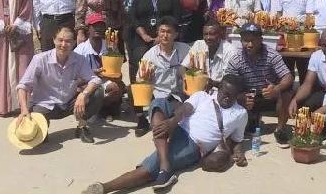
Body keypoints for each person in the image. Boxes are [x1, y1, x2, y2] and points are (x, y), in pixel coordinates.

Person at [82, 74, 248, 194]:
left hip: (193, 145)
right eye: (224, 93)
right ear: (218, 88)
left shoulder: (240, 114)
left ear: (237, 95)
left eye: (231, 96)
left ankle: (104, 188)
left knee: (149, 169)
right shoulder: (203, 96)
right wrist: (171, 123)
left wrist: (238, 153)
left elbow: (237, 139)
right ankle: (165, 165)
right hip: (178, 127)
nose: (226, 98)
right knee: (159, 102)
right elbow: (185, 109)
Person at [15, 27, 104, 143]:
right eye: (60, 40)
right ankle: (43, 128)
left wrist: (84, 95)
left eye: (68, 41)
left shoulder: (79, 59)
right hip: (45, 105)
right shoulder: (40, 59)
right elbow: (23, 86)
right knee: (39, 140)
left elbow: (95, 79)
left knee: (98, 92)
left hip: (68, 103)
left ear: (73, 43)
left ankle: (82, 126)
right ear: (54, 40)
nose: (63, 44)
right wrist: (24, 110)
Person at [129, 0, 183, 134]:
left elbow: (177, 19)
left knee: (163, 69)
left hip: (164, 38)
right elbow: (134, 18)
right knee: (138, 66)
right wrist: (144, 35)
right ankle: (140, 117)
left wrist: (160, 37)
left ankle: (162, 104)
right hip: (142, 38)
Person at [224, 23, 294, 147]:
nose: (250, 45)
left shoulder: (272, 55)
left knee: (287, 93)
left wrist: (276, 89)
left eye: (253, 41)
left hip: (269, 95)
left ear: (261, 40)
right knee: (230, 96)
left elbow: (288, 77)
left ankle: (280, 130)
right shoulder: (236, 59)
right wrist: (240, 96)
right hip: (249, 97)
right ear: (241, 41)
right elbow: (227, 82)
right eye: (246, 41)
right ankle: (251, 120)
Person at [137, 16, 191, 137]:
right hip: (159, 96)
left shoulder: (185, 49)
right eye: (162, 31)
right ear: (158, 33)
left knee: (182, 117)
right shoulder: (150, 55)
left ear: (176, 34)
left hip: (179, 96)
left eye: (169, 32)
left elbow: (195, 70)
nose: (165, 35)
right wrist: (146, 79)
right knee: (159, 118)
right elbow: (139, 80)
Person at [73, 13, 124, 121]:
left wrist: (114, 53)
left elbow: (119, 73)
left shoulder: (110, 46)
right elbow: (73, 78)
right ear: (88, 28)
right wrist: (92, 74)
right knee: (81, 89)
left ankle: (105, 110)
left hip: (106, 81)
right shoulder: (80, 50)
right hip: (88, 83)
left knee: (116, 87)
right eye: (94, 26)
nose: (98, 29)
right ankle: (91, 109)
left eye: (101, 26)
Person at [181, 20, 237, 89]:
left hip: (220, 92)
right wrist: (186, 80)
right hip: (198, 90)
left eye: (212, 34)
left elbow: (230, 82)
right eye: (205, 34)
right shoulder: (199, 45)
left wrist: (212, 83)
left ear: (220, 35)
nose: (208, 38)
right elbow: (183, 67)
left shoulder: (229, 51)